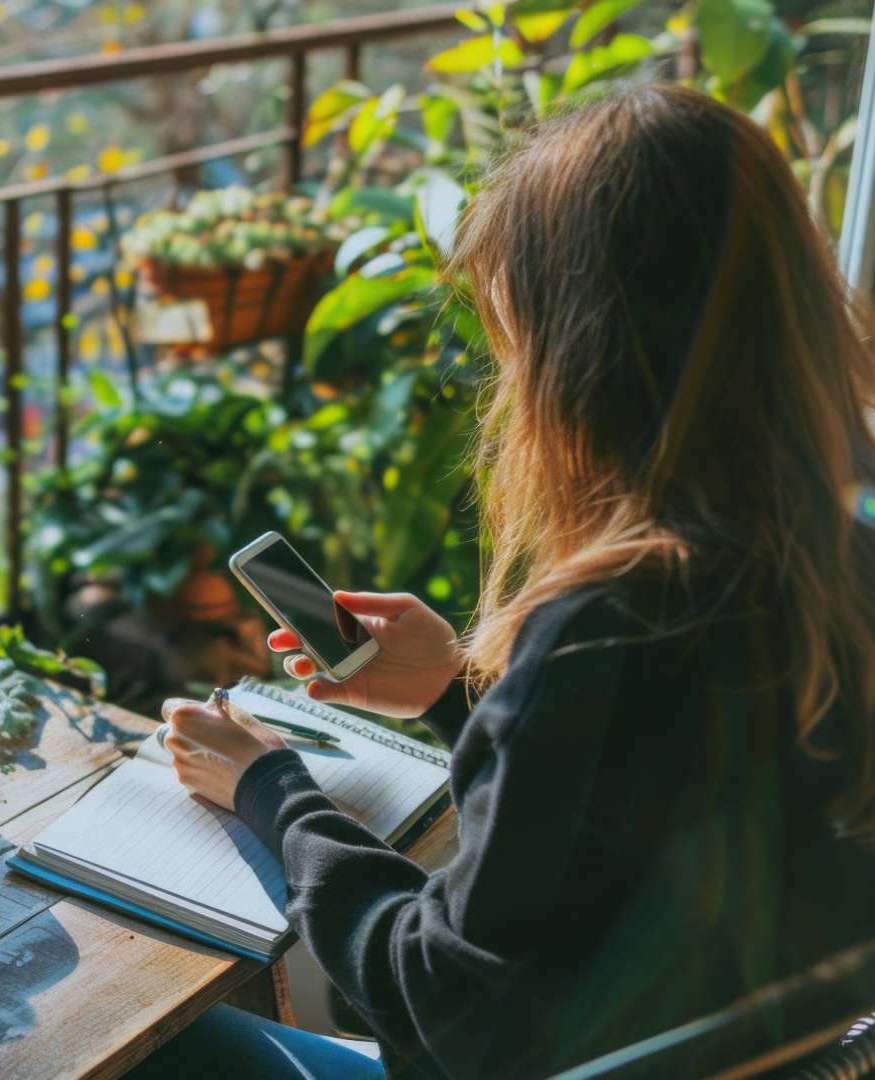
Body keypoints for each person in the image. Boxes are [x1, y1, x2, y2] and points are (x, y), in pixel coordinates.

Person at [128, 83, 875, 1079]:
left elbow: (443, 993)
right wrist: (463, 688)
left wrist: (270, 788)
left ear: (582, 356)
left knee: (145, 1047)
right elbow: (657, 797)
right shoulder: (824, 555)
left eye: (509, 337)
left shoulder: (614, 623)